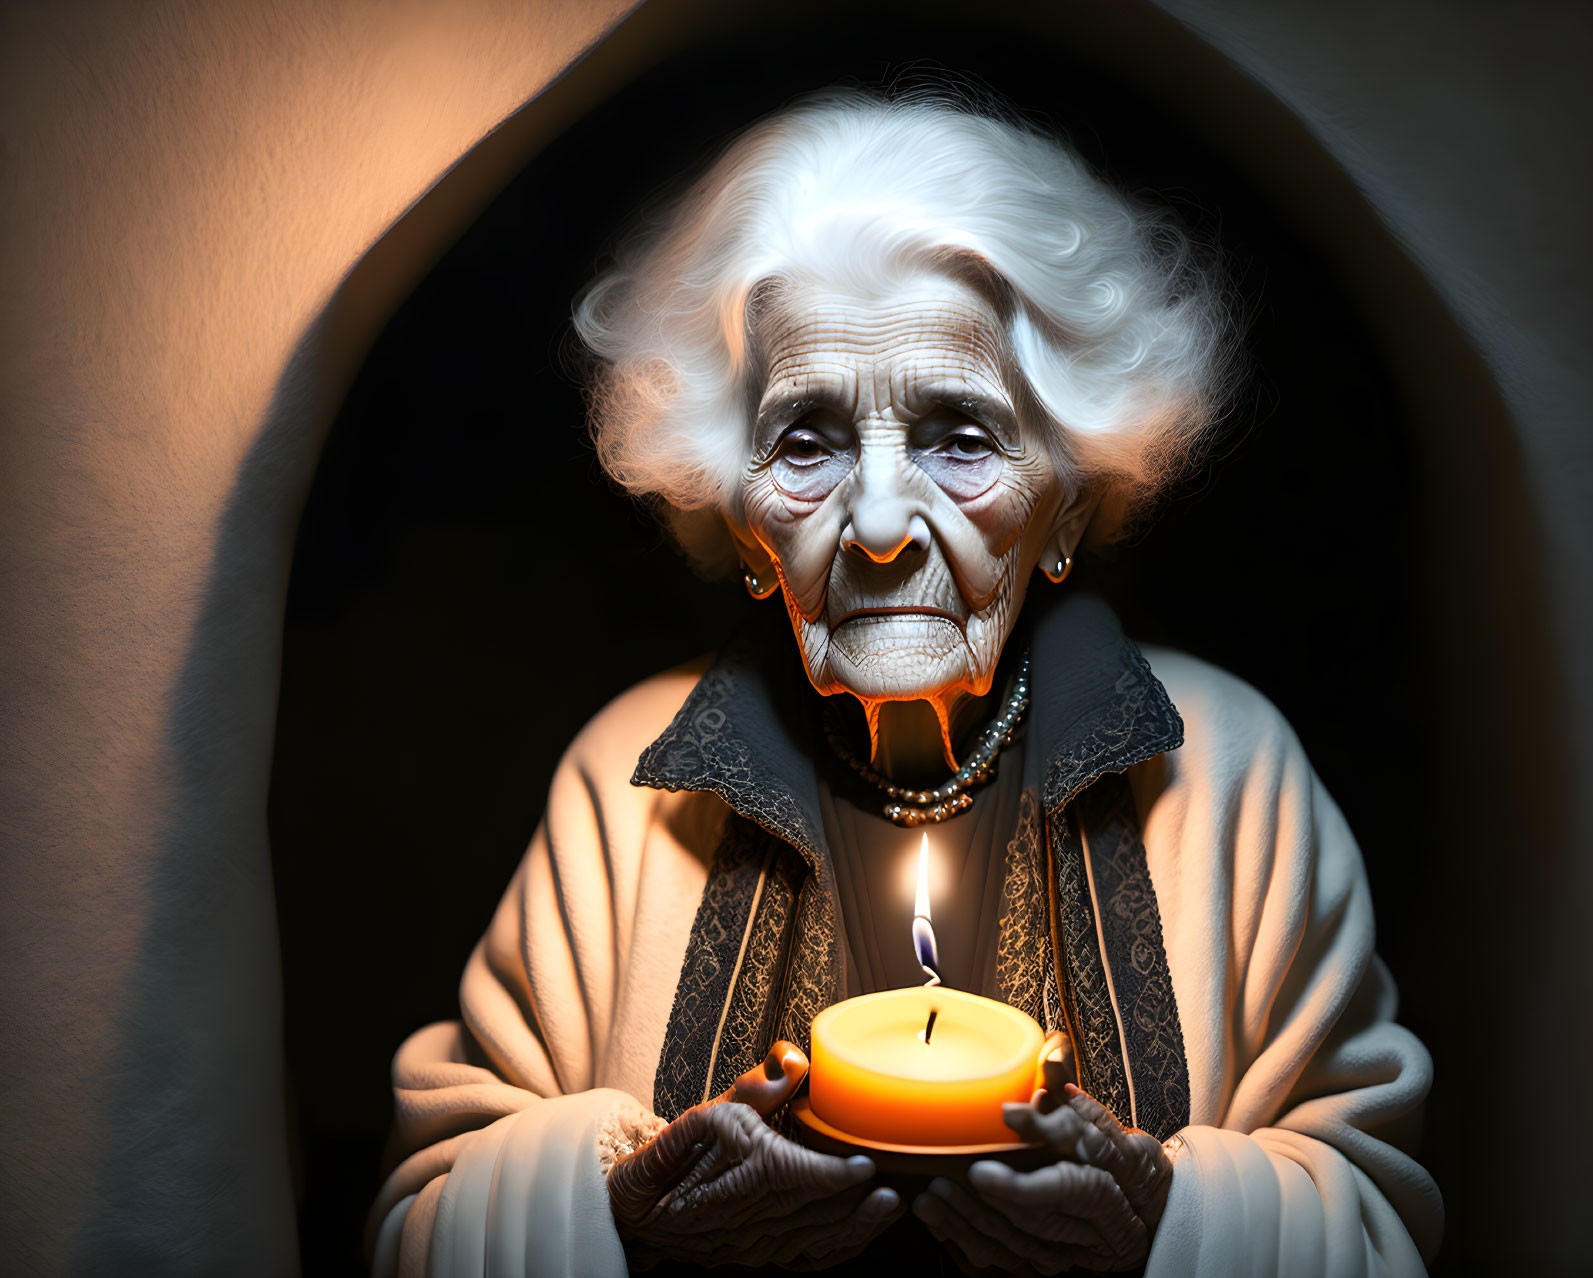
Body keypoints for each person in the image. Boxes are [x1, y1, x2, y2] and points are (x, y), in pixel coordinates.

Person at [365, 88, 1442, 1276]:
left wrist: (1162, 1225)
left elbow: (1379, 1215)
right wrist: (628, 1216)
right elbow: (429, 1214)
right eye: (807, 443)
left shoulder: (1229, 767)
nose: (879, 523)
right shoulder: (627, 777)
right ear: (737, 511)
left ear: (1070, 499)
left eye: (961, 439)